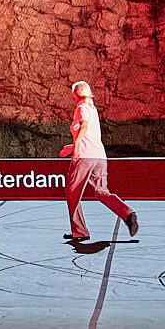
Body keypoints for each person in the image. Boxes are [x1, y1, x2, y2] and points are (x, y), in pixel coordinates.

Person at [61, 81, 138, 242]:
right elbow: (90, 136)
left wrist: (75, 150)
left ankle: (80, 231)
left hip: (85, 157)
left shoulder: (81, 108)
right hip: (99, 157)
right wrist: (71, 147)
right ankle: (127, 213)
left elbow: (83, 128)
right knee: (101, 192)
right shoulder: (92, 109)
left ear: (75, 95)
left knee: (72, 192)